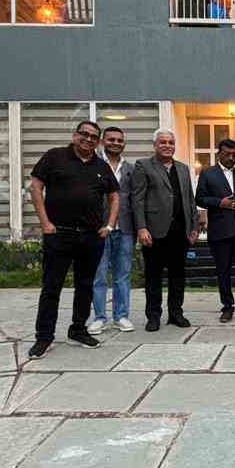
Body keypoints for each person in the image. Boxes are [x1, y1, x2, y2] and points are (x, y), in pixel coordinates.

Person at [27, 121, 119, 359]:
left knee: (85, 286)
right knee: (52, 286)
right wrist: (45, 223)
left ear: (98, 142)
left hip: (91, 236)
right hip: (59, 234)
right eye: (84, 134)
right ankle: (44, 336)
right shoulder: (55, 156)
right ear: (74, 135)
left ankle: (78, 329)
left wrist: (109, 225)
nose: (88, 139)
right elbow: (35, 187)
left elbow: (114, 196)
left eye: (94, 137)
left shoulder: (101, 166)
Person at [132, 129, 200, 331]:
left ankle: (176, 313)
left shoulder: (183, 168)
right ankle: (153, 316)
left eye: (171, 142)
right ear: (155, 145)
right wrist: (141, 227)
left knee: (178, 275)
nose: (167, 146)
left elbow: (189, 199)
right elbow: (137, 199)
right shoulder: (143, 165)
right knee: (153, 276)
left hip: (180, 231)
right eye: (163, 142)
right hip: (154, 231)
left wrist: (194, 226)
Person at [196, 137, 235, 323]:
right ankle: (227, 307)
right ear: (219, 154)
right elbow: (199, 198)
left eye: (233, 154)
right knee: (223, 272)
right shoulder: (208, 173)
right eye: (227, 154)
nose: (230, 157)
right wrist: (219, 203)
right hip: (220, 231)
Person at [88, 125, 136, 334]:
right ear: (102, 141)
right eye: (111, 139)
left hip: (125, 228)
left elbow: (135, 199)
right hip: (99, 229)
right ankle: (99, 317)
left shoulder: (131, 168)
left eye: (119, 140)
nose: (116, 143)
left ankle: (121, 316)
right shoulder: (93, 165)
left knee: (122, 275)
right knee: (99, 275)